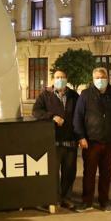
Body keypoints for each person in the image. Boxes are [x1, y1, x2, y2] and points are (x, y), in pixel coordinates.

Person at [73, 66, 111, 212]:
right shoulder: (85, 95)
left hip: (108, 141)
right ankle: (86, 202)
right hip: (91, 141)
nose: (100, 80)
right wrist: (81, 137)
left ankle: (104, 202)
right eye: (97, 78)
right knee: (89, 173)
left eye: (103, 77)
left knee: (106, 173)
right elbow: (78, 117)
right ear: (93, 79)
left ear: (107, 78)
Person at [31, 69, 79, 209]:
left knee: (69, 172)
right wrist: (52, 116)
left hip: (70, 141)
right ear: (53, 79)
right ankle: (52, 198)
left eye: (63, 77)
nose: (60, 79)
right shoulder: (45, 95)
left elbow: (80, 115)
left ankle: (66, 198)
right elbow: (36, 111)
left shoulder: (74, 96)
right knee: (52, 173)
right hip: (53, 141)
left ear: (66, 79)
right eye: (57, 77)